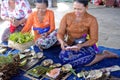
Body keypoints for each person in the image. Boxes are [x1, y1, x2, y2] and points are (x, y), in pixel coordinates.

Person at [57, 0, 119, 67]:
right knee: (63, 58)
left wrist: (81, 45)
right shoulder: (67, 16)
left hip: (85, 44)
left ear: (86, 7)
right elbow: (60, 32)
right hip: (70, 44)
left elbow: (94, 39)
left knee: (84, 61)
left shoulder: (92, 20)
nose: (76, 12)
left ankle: (105, 55)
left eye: (79, 9)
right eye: (75, 8)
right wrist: (62, 41)